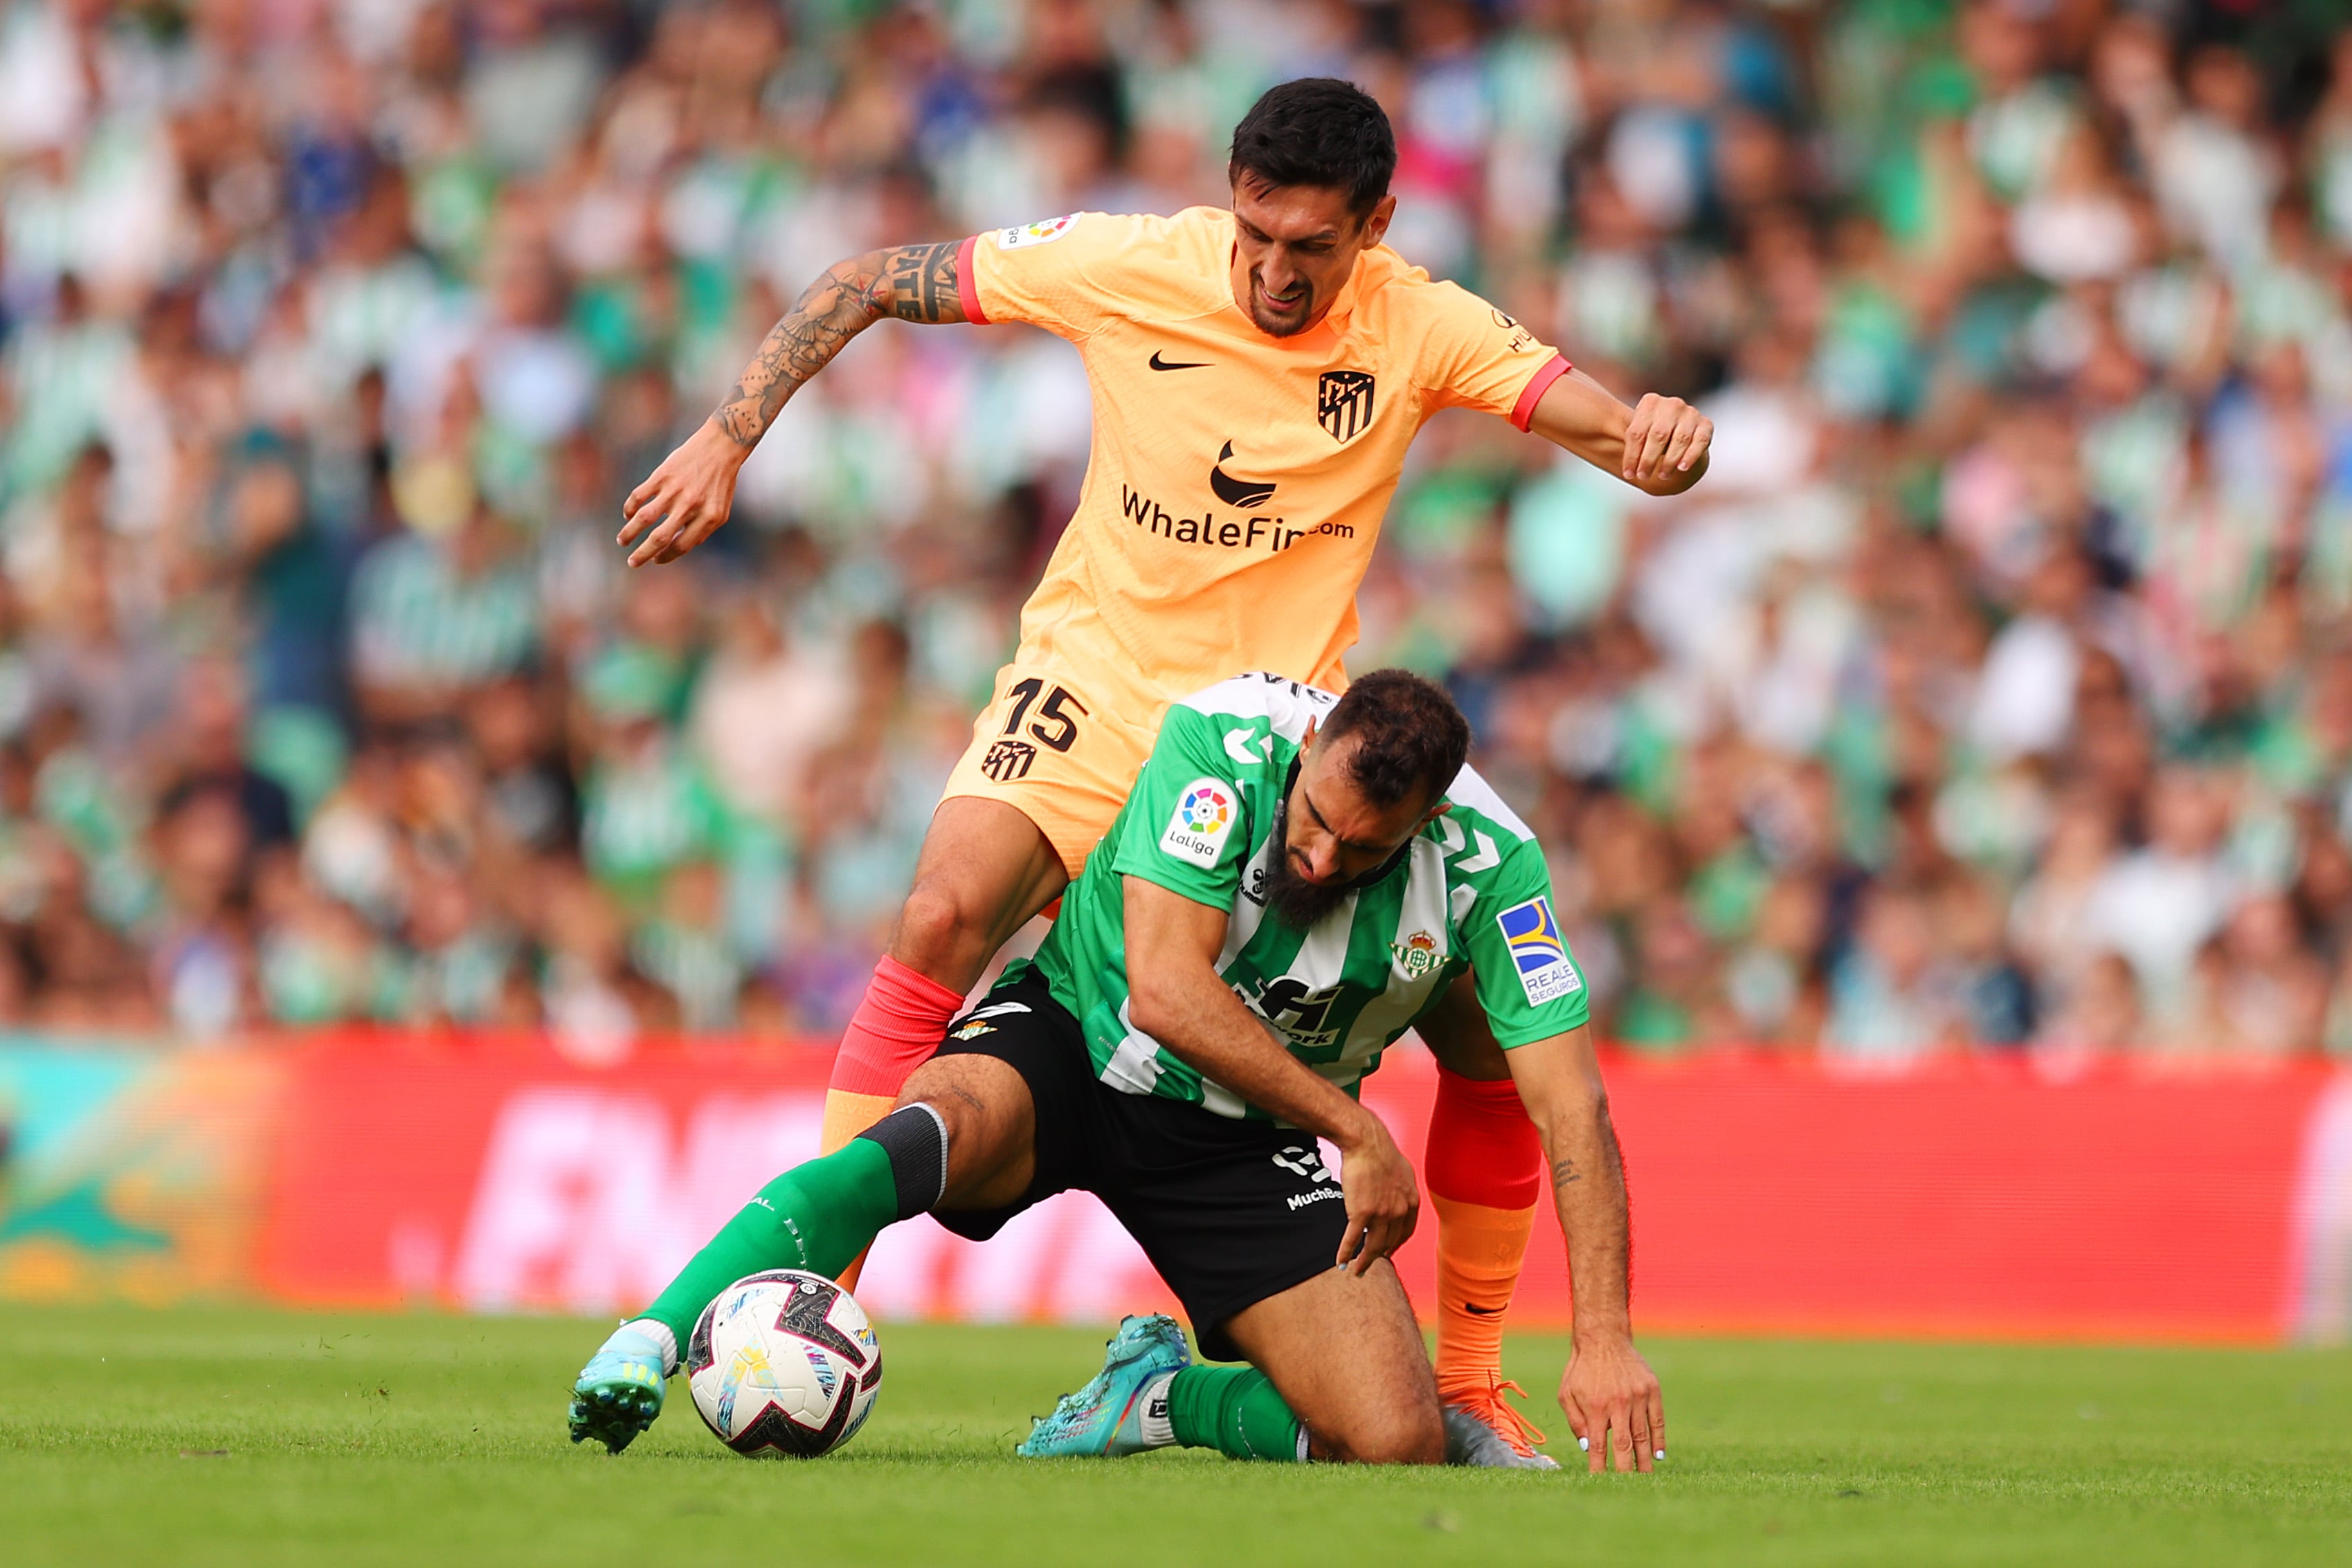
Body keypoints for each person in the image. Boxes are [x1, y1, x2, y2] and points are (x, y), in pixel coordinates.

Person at [603, 77, 1710, 1459]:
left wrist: (1658, 445)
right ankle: (810, 1294)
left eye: (1309, 244)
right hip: (1094, 689)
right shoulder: (1133, 263)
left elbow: (1598, 422)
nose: (1271, 268)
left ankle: (1466, 1374)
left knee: (1482, 1037)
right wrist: (730, 433)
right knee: (942, 913)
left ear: (1373, 224)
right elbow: (870, 278)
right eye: (1254, 231)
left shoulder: (1421, 322)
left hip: (1268, 751)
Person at [570, 671, 1663, 1472]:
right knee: (926, 1129)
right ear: (1310, 747)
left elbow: (1572, 1105)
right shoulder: (1220, 738)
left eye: (1362, 851)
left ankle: (1160, 1394)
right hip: (1074, 1046)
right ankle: (652, 1331)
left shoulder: (1491, 865)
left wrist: (1602, 1339)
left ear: (1425, 827)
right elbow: (1165, 992)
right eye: (1316, 819)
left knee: (1391, 1440)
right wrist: (1359, 1131)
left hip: (1244, 1134)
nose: (1319, 859)